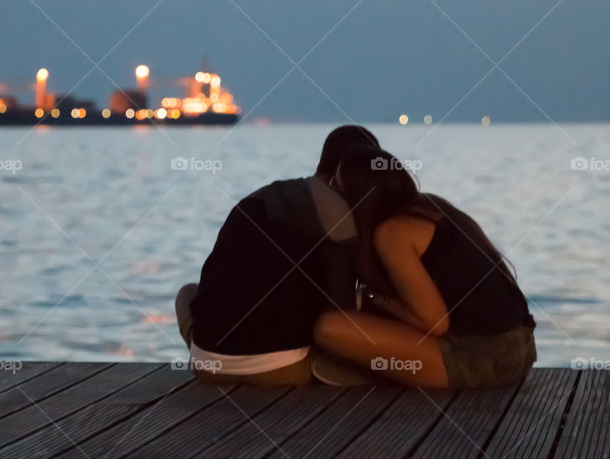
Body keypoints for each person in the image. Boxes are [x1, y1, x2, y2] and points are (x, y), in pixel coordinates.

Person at [313, 146, 537, 389]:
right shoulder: (432, 207)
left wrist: (372, 297)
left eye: (336, 187)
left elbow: (436, 324)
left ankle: (382, 373)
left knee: (329, 328)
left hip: (483, 358)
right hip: (521, 349)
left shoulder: (391, 232)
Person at [174, 126, 380, 385]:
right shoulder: (344, 223)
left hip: (206, 365)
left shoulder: (258, 198)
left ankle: (216, 355)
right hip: (281, 369)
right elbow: (341, 314)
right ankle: (317, 367)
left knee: (187, 293)